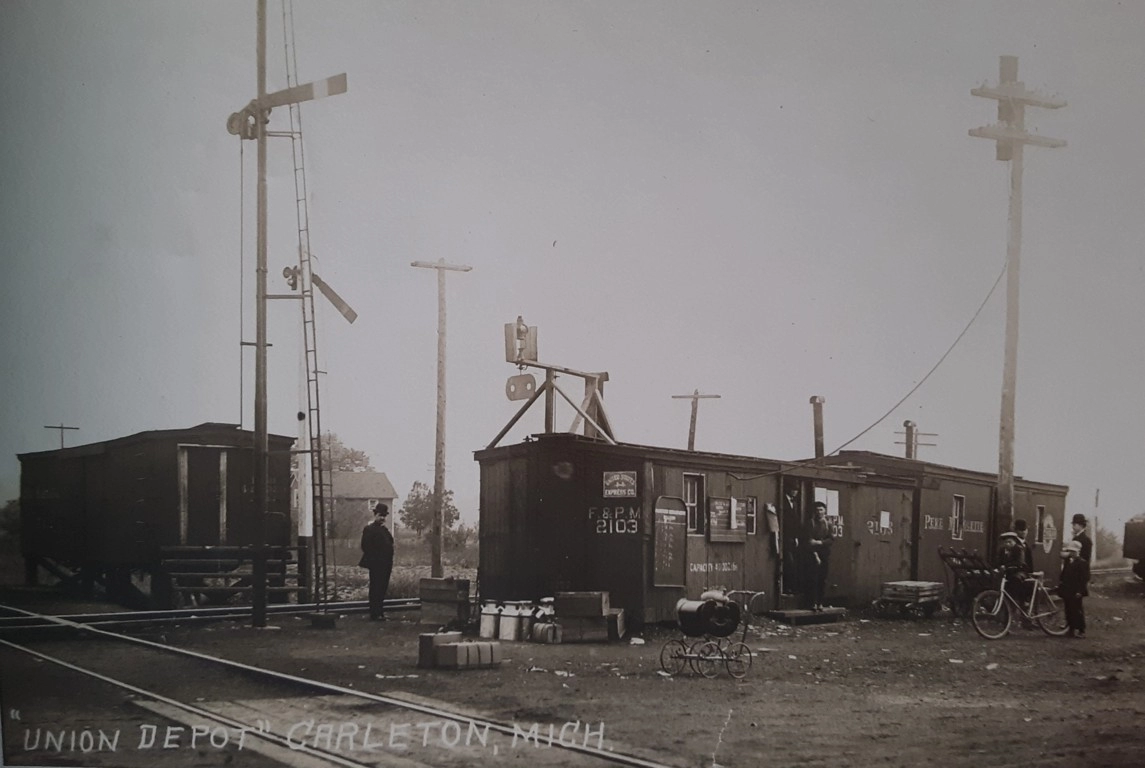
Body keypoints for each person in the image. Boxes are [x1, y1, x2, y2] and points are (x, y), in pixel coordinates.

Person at [359, 502, 395, 621]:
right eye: (380, 515)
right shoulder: (369, 529)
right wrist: (377, 558)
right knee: (376, 588)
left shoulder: (384, 530)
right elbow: (365, 546)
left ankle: (380, 612)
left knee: (382, 588)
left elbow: (390, 543)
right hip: (376, 564)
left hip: (386, 564)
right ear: (375, 515)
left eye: (384, 516)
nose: (383, 518)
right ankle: (375, 613)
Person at [803, 501, 834, 611]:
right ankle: (813, 603)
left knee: (822, 579)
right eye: (817, 510)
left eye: (821, 510)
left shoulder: (828, 524)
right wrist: (815, 554)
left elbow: (831, 539)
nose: (819, 512)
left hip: (824, 554)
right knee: (813, 579)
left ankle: (820, 603)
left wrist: (820, 543)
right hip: (812, 554)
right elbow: (808, 540)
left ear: (824, 511)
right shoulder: (810, 523)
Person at [1057, 539, 1090, 638]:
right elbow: (1064, 574)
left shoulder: (1082, 563)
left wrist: (1080, 590)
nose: (1072, 553)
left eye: (1074, 552)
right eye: (1070, 551)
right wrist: (1061, 582)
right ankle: (1070, 629)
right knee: (1068, 609)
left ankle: (1081, 629)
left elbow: (1085, 578)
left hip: (1076, 590)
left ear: (1078, 552)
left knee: (1077, 609)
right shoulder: (1068, 561)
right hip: (1067, 589)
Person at [995, 531, 1033, 605]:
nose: (1007, 544)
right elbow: (997, 561)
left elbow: (1019, 562)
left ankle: (1021, 601)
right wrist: (999, 566)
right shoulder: (1002, 550)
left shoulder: (1019, 549)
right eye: (1006, 542)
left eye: (1010, 542)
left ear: (1014, 542)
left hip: (1020, 570)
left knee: (1016, 579)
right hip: (1007, 571)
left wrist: (1006, 566)